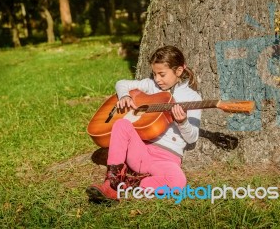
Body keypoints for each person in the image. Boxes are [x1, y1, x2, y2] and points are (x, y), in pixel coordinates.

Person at [86, 45, 202, 201]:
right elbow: (121, 83)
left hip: (167, 159)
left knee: (177, 182)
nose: (157, 79)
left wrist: (182, 122)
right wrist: (124, 97)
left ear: (179, 71)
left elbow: (192, 138)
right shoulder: (151, 85)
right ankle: (112, 183)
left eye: (162, 74)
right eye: (155, 74)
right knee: (121, 124)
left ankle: (131, 182)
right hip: (141, 152)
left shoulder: (193, 98)